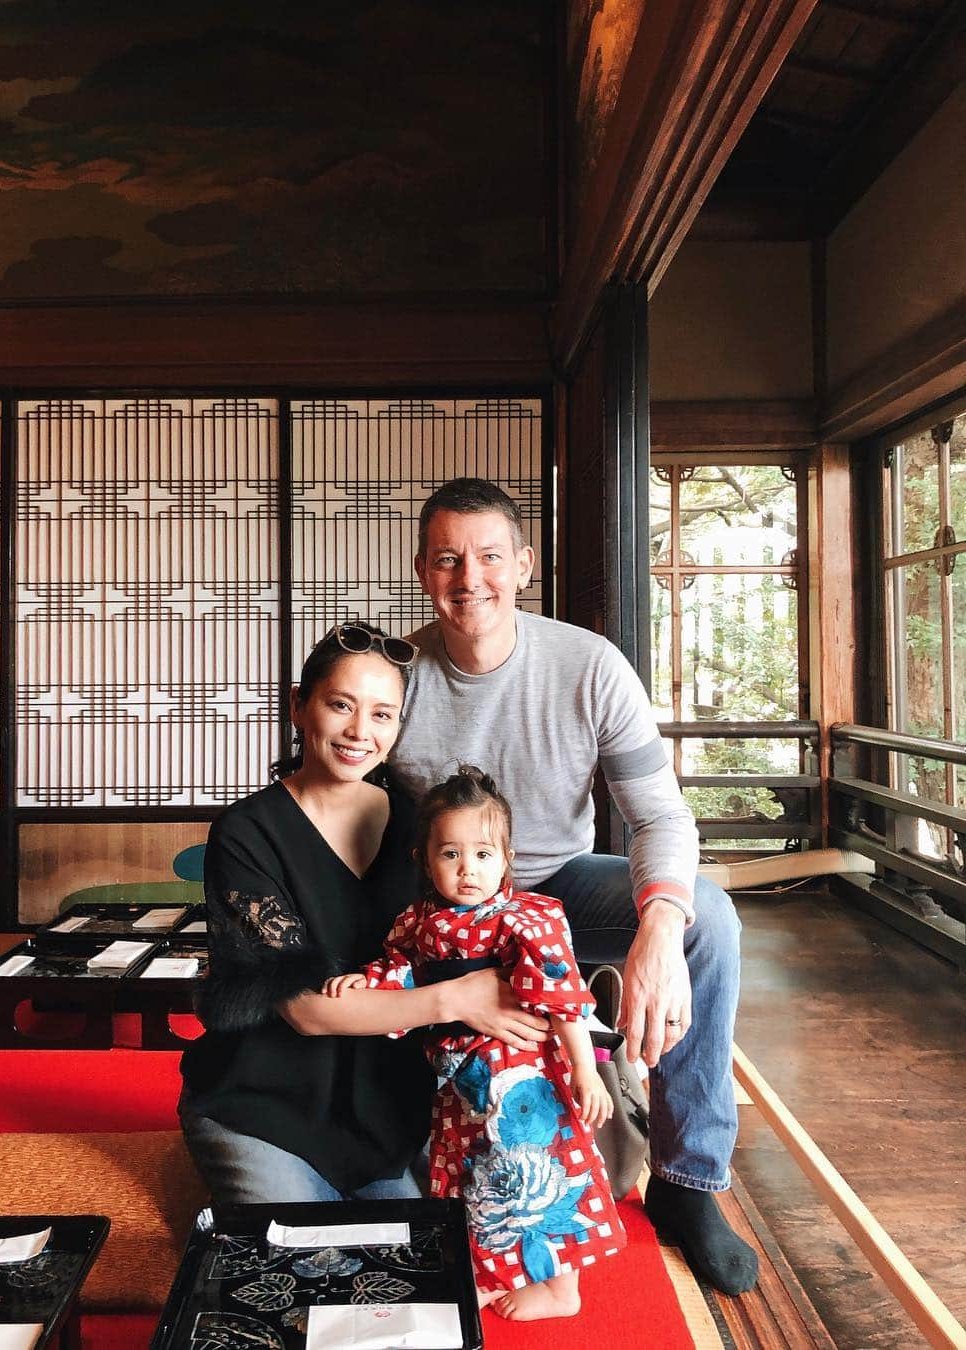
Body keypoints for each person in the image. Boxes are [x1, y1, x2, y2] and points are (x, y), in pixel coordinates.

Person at [387, 478, 759, 1296]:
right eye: (448, 558)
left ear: (522, 564)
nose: (469, 577)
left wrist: (658, 932)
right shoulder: (400, 676)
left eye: (489, 556)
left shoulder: (589, 666)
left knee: (710, 922)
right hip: (441, 904)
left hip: (554, 889)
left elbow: (661, 814)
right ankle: (387, 1144)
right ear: (422, 569)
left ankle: (688, 1183)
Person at [178, 621, 551, 1206]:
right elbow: (303, 1009)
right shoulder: (247, 830)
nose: (360, 732)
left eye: (382, 714)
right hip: (266, 1098)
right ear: (299, 707)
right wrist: (453, 998)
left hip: (390, 1101)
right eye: (340, 705)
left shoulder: (420, 826)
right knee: (300, 1269)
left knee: (420, 1264)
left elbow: (485, 932)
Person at [324, 765, 620, 1322]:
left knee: (542, 1170)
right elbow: (400, 972)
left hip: (523, 1075)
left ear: (507, 859)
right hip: (459, 1077)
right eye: (451, 854)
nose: (468, 870)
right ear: (424, 859)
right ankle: (489, 1273)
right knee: (475, 1178)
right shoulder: (417, 921)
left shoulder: (527, 917)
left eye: (484, 854)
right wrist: (364, 981)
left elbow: (562, 995)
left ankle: (560, 1289)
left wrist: (583, 1068)